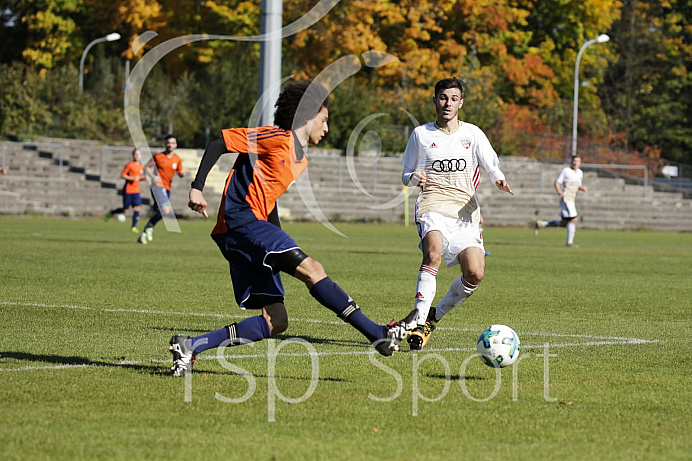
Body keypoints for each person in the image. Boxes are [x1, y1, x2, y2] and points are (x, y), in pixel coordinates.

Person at [168, 82, 408, 377]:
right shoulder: (276, 137)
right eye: (325, 120)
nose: (327, 128)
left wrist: (281, 242)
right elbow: (220, 142)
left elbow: (269, 197)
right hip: (240, 221)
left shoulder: (300, 160)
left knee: (275, 321)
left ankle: (190, 345)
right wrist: (197, 188)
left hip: (251, 231)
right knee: (314, 270)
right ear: (307, 117)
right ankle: (377, 334)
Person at [399, 77, 514, 350]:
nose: (447, 103)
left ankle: (432, 317)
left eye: (453, 98)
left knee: (474, 273)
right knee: (433, 254)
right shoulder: (421, 134)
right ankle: (416, 319)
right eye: (442, 97)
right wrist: (414, 176)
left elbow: (491, 164)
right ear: (435, 100)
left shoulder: (472, 134)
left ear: (460, 103)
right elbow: (405, 174)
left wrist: (499, 179)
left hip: (465, 211)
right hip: (432, 205)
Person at [138, 135, 186, 244]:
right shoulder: (158, 156)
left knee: (160, 212)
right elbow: (147, 167)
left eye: (173, 143)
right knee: (166, 210)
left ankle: (146, 231)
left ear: (176, 145)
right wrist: (153, 176)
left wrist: (182, 174)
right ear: (165, 144)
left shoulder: (177, 159)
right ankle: (149, 228)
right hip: (157, 186)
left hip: (167, 188)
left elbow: (179, 172)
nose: (170, 145)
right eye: (168, 142)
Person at [535, 155, 587, 247]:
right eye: (574, 161)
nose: (575, 163)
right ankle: (569, 243)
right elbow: (557, 182)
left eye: (577, 161)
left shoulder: (580, 173)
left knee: (564, 223)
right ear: (571, 161)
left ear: (580, 163)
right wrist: (560, 192)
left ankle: (542, 224)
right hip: (566, 199)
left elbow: (577, 185)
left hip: (572, 199)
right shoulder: (566, 171)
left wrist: (582, 188)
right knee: (574, 219)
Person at [105, 148, 147, 232]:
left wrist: (143, 179)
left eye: (138, 154)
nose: (137, 156)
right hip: (128, 190)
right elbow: (123, 175)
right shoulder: (130, 165)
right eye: (135, 154)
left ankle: (133, 226)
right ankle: (112, 212)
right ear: (133, 155)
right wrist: (132, 178)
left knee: (137, 208)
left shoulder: (141, 166)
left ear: (141, 156)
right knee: (125, 210)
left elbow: (137, 178)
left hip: (136, 190)